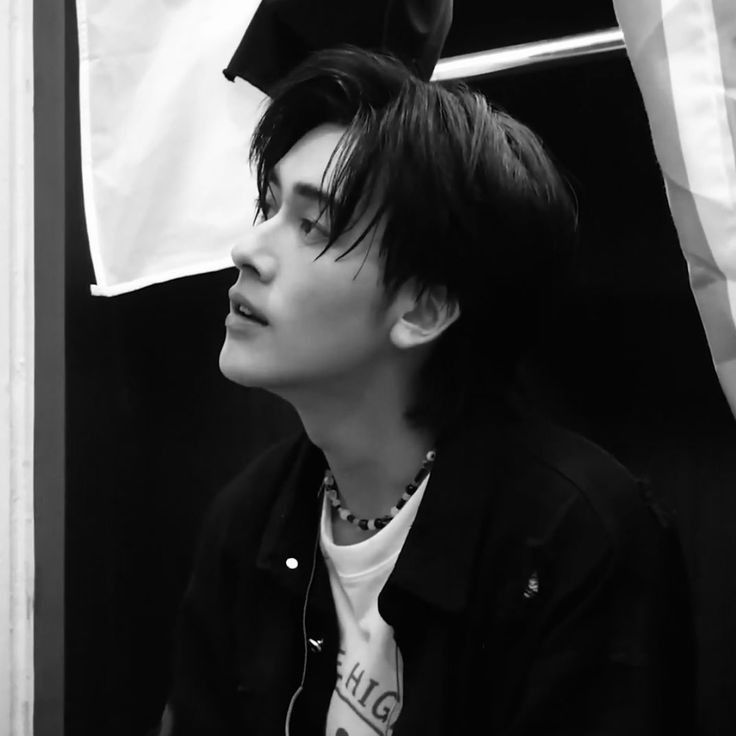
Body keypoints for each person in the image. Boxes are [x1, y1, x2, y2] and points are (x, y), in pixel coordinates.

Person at [158, 46, 694, 735]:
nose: (248, 250)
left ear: (424, 310)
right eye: (267, 207)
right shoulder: (251, 519)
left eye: (311, 225)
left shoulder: (573, 538)